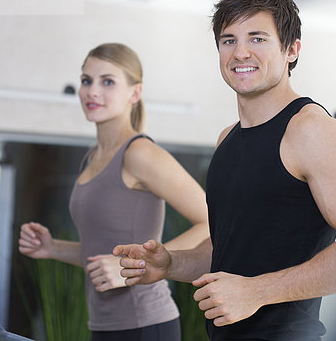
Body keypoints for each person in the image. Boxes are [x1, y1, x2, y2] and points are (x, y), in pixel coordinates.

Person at [114, 0, 336, 340]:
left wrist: (258, 291)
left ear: (291, 50)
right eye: (228, 40)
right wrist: (171, 263)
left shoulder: (315, 133)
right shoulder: (227, 139)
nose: (240, 53)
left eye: (257, 39)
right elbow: (229, 248)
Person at [18, 43, 209, 341]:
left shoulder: (140, 153)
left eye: (107, 81)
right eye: (86, 80)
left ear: (134, 93)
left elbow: (211, 220)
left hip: (146, 324)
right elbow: (101, 251)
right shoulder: (92, 158)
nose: (93, 91)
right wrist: (52, 248)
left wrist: (141, 264)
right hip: (104, 326)